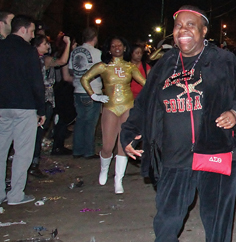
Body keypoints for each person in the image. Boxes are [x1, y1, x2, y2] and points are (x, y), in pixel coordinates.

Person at [121, 6, 236, 242]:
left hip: (216, 153)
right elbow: (142, 105)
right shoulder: (164, 64)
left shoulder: (223, 61)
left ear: (204, 31)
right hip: (175, 157)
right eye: (179, 25)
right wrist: (128, 133)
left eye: (191, 25)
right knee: (167, 217)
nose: (183, 30)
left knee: (218, 223)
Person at [81, 37, 147, 193]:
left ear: (125, 48)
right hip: (110, 107)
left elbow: (146, 83)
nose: (117, 47)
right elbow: (85, 78)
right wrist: (93, 95)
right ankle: (104, 169)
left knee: (124, 145)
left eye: (120, 45)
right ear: (109, 49)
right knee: (107, 146)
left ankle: (119, 180)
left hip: (127, 107)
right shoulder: (103, 66)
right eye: (113, 45)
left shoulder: (130, 67)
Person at [0, 15, 45, 205]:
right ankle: (16, 194)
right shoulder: (28, 51)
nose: (33, 35)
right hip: (24, 106)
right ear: (23, 29)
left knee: (1, 151)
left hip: (3, 106)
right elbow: (37, 82)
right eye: (32, 31)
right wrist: (41, 109)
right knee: (22, 152)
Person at [28, 35, 71, 176]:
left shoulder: (28, 58)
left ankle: (30, 162)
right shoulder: (44, 60)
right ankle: (33, 163)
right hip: (44, 99)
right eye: (45, 43)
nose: (48, 46)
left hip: (32, 99)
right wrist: (68, 44)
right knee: (38, 133)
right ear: (38, 45)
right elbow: (62, 61)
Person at [69, 27, 103, 158]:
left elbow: (72, 70)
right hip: (92, 90)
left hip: (77, 89)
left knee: (80, 121)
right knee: (90, 123)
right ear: (95, 38)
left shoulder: (75, 52)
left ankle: (77, 150)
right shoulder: (97, 53)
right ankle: (88, 151)